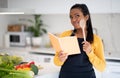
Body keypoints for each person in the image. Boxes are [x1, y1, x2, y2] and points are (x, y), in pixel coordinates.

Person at [53, 4, 106, 78]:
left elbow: (102, 67)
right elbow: (56, 62)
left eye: (77, 16)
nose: (73, 20)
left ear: (86, 17)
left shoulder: (96, 39)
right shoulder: (65, 35)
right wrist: (60, 59)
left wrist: (90, 53)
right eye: (71, 17)